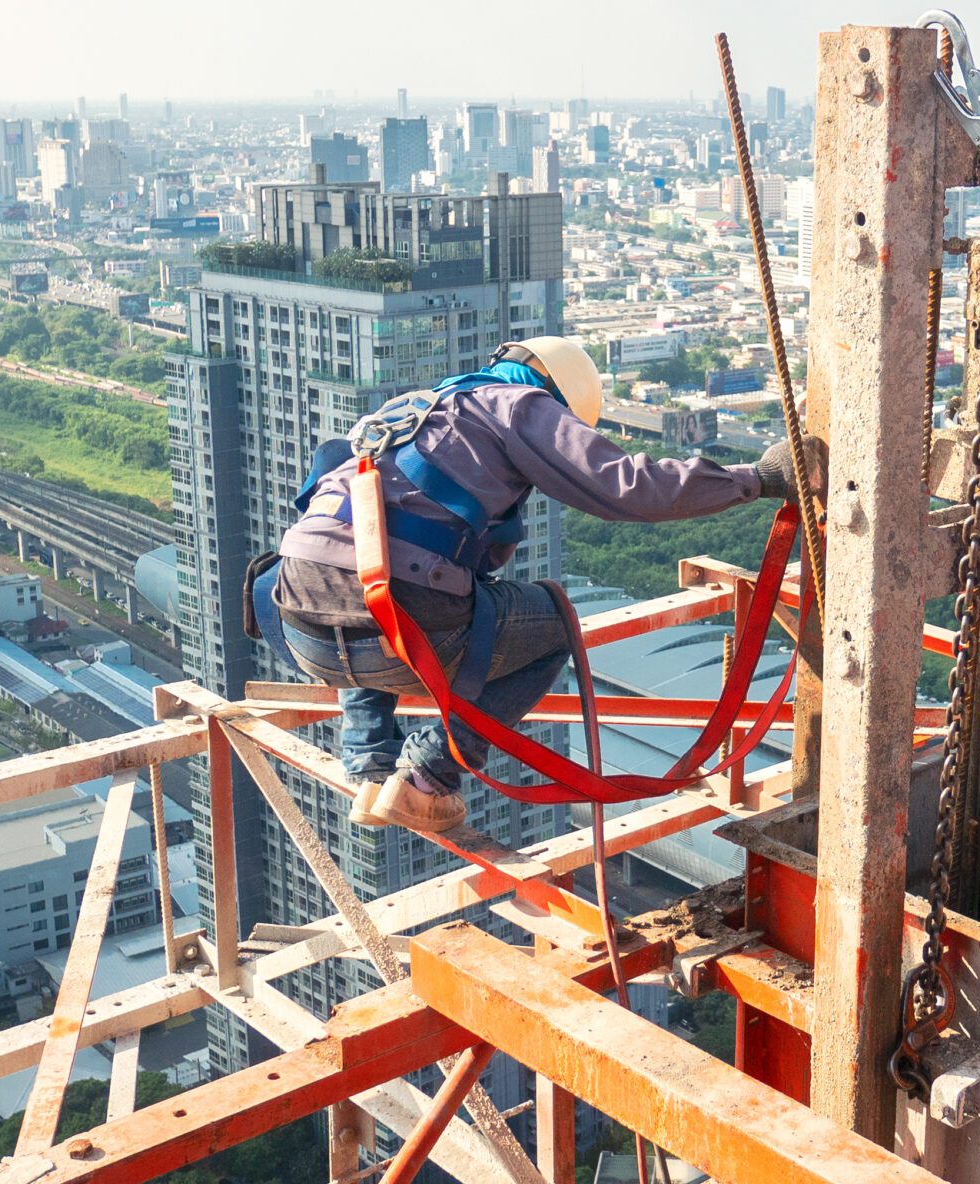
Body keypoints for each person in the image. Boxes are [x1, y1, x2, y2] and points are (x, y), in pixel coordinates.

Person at [262, 336, 818, 834]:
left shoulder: (413, 413)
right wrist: (756, 479)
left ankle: (369, 764)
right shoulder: (520, 406)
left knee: (376, 575)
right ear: (559, 399)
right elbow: (627, 487)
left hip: (300, 626)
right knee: (550, 623)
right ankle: (427, 778)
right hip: (392, 626)